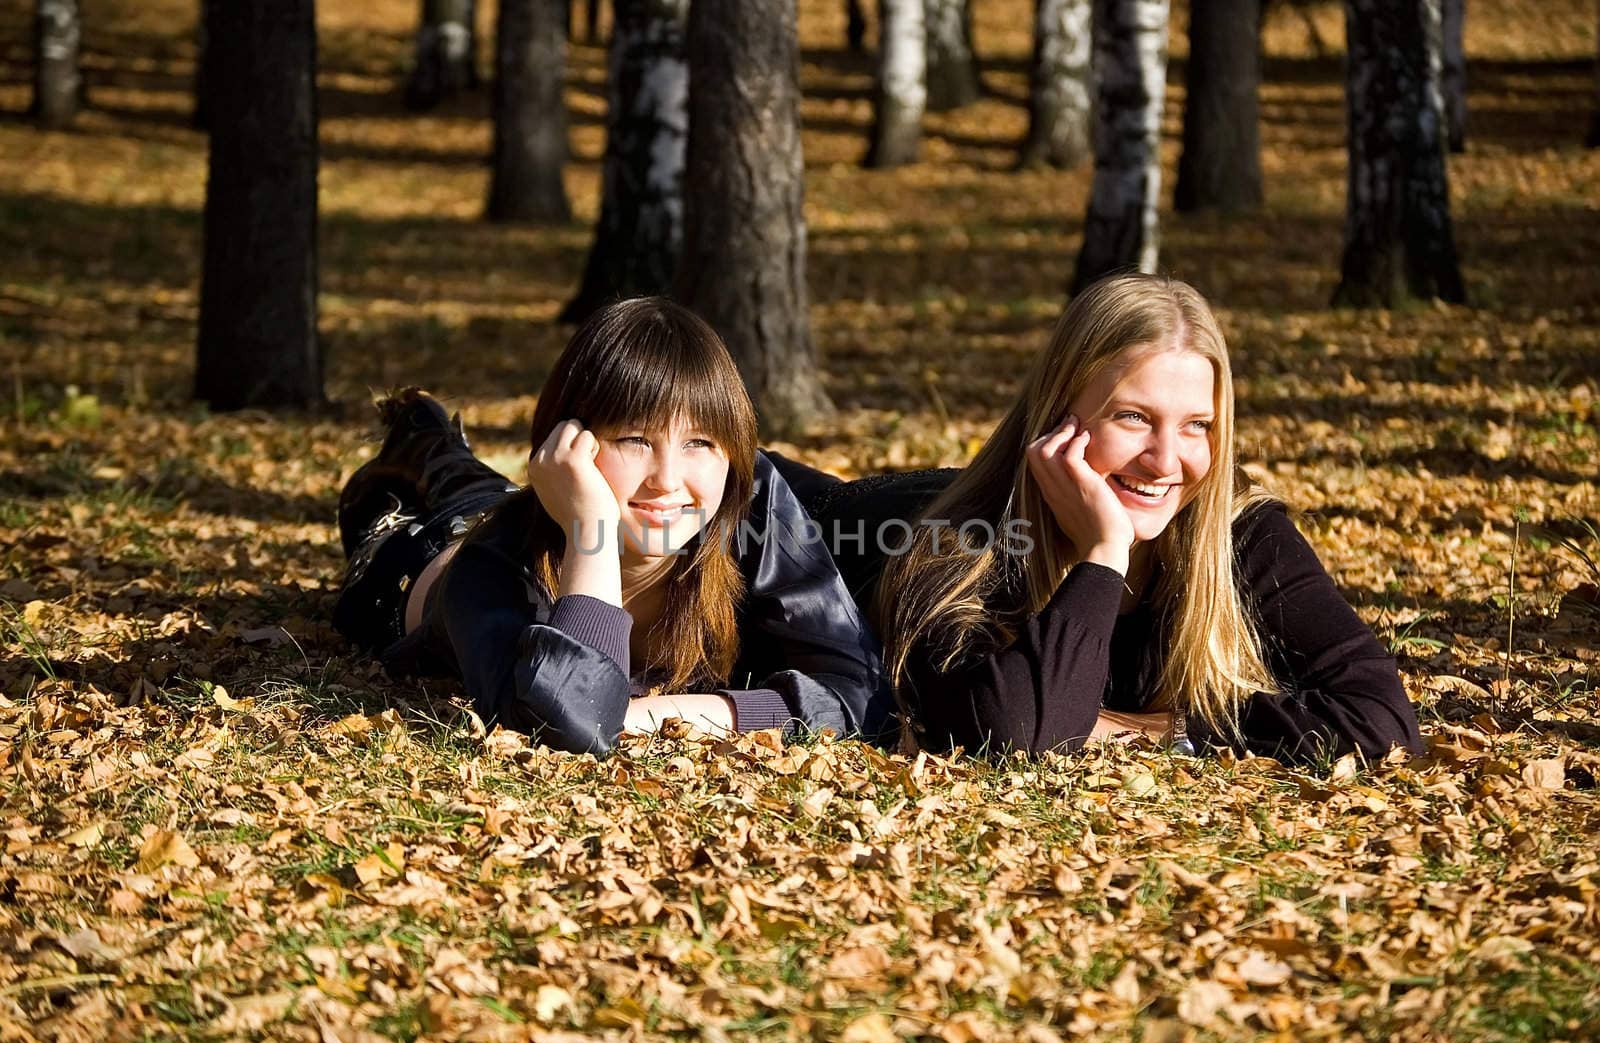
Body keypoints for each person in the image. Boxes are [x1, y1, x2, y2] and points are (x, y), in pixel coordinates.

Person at [771, 274, 1423, 763]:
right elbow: (1014, 738)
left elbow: (1383, 722)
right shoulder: (962, 543)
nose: (1166, 460)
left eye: (1196, 425)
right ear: (1058, 416)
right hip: (803, 525)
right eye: (1133, 417)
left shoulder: (1238, 532)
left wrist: (1169, 730)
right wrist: (1103, 554)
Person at [334, 297, 890, 756]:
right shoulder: (495, 565)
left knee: (486, 489)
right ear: (568, 441)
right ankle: (426, 440)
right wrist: (592, 529)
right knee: (448, 494)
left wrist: (654, 716)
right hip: (423, 558)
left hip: (538, 507)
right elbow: (571, 726)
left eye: (699, 442)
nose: (668, 479)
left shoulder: (751, 500)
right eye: (635, 439)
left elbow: (858, 694)